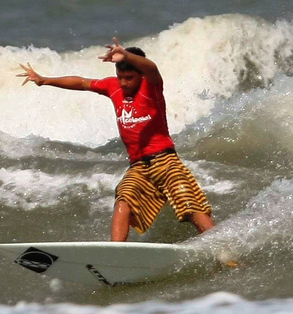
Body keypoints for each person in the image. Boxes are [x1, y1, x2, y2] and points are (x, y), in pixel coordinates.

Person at [17, 37, 215, 241]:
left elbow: (152, 69)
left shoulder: (151, 87)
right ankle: (116, 253)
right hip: (138, 166)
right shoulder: (114, 87)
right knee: (124, 200)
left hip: (165, 161)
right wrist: (45, 80)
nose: (123, 82)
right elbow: (82, 82)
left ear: (140, 75)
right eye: (120, 76)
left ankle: (223, 251)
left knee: (190, 205)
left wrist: (127, 55)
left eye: (129, 77)